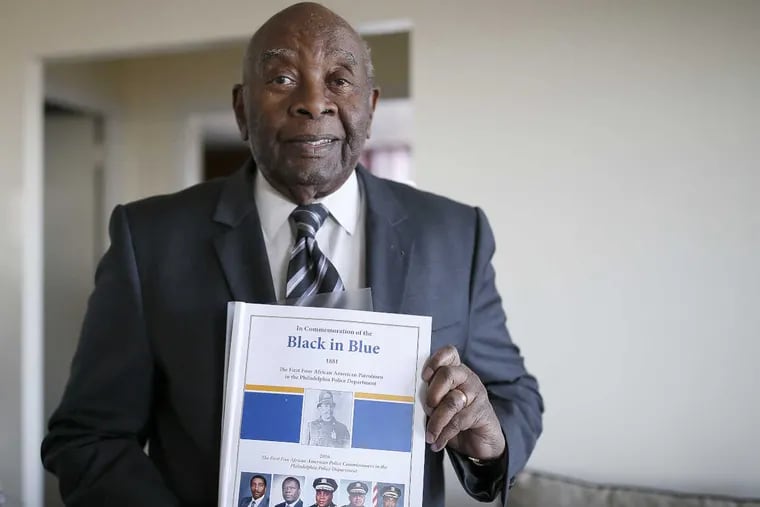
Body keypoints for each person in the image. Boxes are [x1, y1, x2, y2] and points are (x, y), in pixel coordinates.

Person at [40, 2, 543, 506]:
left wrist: (488, 435)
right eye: (282, 78)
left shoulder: (456, 235)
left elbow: (514, 395)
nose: (313, 103)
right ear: (241, 109)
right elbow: (87, 437)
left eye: (339, 80)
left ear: (370, 107)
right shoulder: (150, 239)